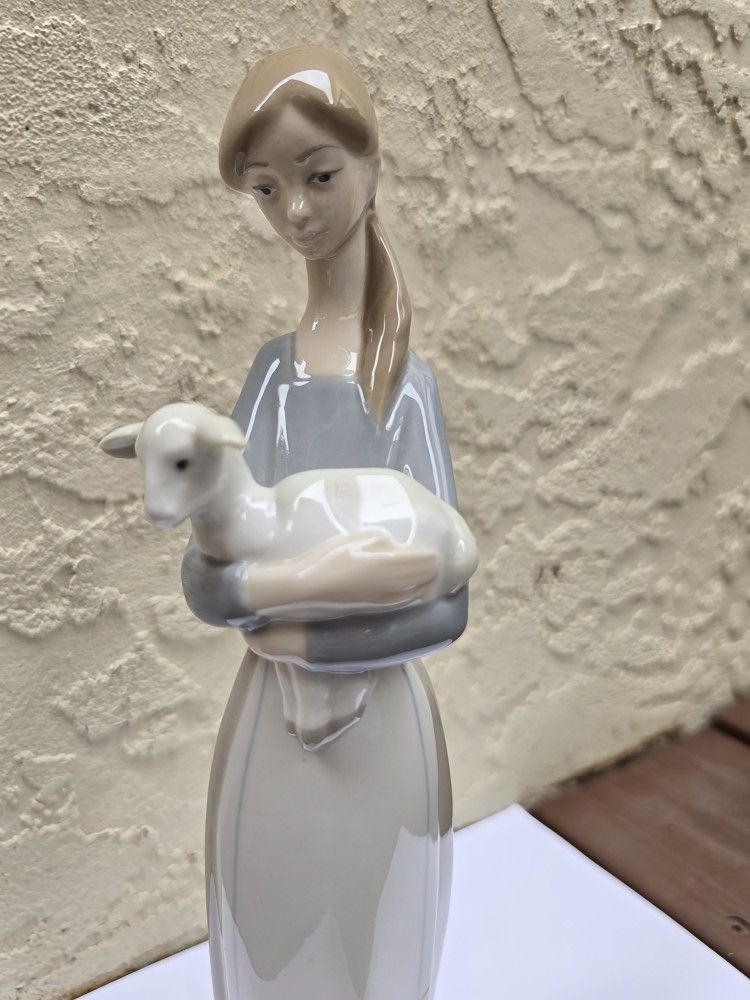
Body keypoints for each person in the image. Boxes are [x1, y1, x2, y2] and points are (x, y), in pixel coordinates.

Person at [190, 45, 473, 1000]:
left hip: (381, 728)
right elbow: (207, 574)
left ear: (371, 169)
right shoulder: (272, 379)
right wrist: (259, 600)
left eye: (318, 177)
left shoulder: (405, 388)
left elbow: (448, 604)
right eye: (268, 190)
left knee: (379, 938)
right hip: (272, 727)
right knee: (268, 932)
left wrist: (306, 637)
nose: (297, 213)